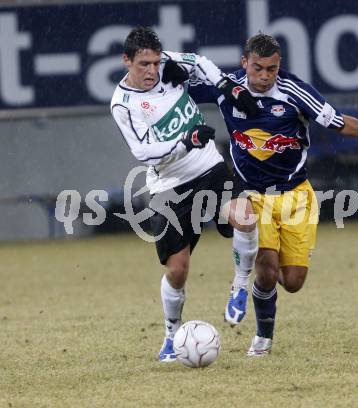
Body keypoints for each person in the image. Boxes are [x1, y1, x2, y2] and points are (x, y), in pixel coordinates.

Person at [166, 33, 358, 356]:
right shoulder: (227, 88)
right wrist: (159, 73)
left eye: (272, 69)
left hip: (296, 196)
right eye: (258, 68)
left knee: (292, 281)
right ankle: (261, 335)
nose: (264, 76)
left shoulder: (294, 91)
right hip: (254, 195)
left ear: (280, 67)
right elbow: (178, 87)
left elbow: (336, 121)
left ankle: (262, 283)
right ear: (244, 62)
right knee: (267, 268)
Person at [110, 26, 260, 362]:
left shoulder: (166, 65)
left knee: (245, 217)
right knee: (177, 270)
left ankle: (239, 285)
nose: (152, 71)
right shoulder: (123, 104)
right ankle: (170, 334)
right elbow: (143, 152)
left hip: (208, 167)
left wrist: (224, 85)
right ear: (126, 61)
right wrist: (184, 142)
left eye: (155, 63)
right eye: (143, 64)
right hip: (168, 186)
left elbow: (199, 62)